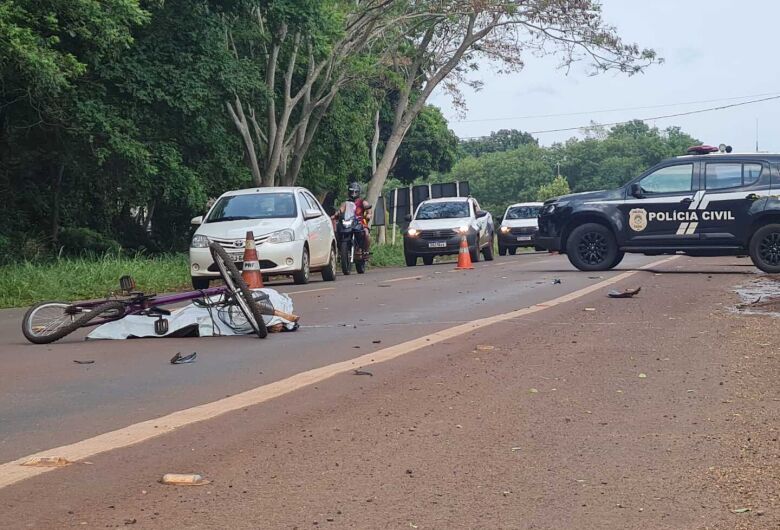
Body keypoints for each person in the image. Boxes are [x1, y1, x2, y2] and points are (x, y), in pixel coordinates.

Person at [333, 181, 372, 254]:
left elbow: (368, 208)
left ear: (358, 192)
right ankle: (339, 250)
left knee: (366, 233)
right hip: (348, 221)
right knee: (338, 232)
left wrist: (368, 214)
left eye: (355, 192)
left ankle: (366, 250)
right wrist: (337, 213)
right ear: (349, 192)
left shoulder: (362, 202)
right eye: (352, 191)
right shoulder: (345, 203)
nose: (353, 193)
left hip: (361, 221)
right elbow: (341, 210)